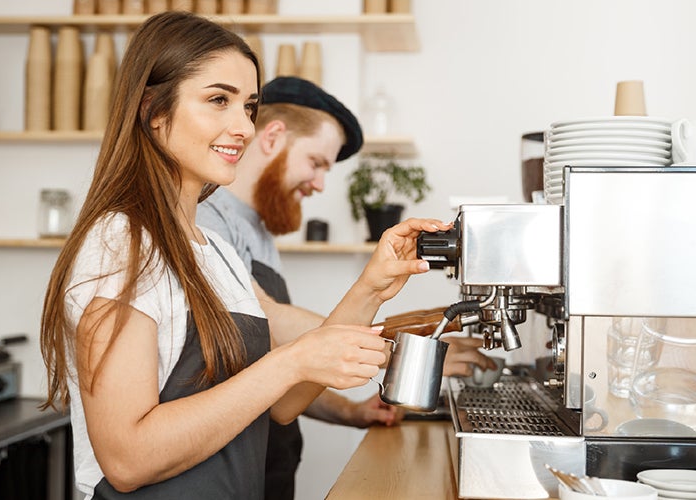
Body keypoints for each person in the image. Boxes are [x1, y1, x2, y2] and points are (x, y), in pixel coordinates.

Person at [39, 12, 452, 500]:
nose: (243, 127)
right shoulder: (121, 244)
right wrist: (291, 361)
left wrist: (371, 287)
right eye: (218, 100)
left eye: (248, 107)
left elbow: (281, 405)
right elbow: (128, 459)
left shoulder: (213, 251)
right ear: (152, 109)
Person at [197, 76, 496, 499]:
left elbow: (276, 365)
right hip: (223, 470)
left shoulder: (257, 229)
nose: (320, 184)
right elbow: (272, 322)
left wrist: (351, 412)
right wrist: (401, 353)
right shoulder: (206, 219)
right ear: (274, 136)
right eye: (317, 162)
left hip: (267, 465)